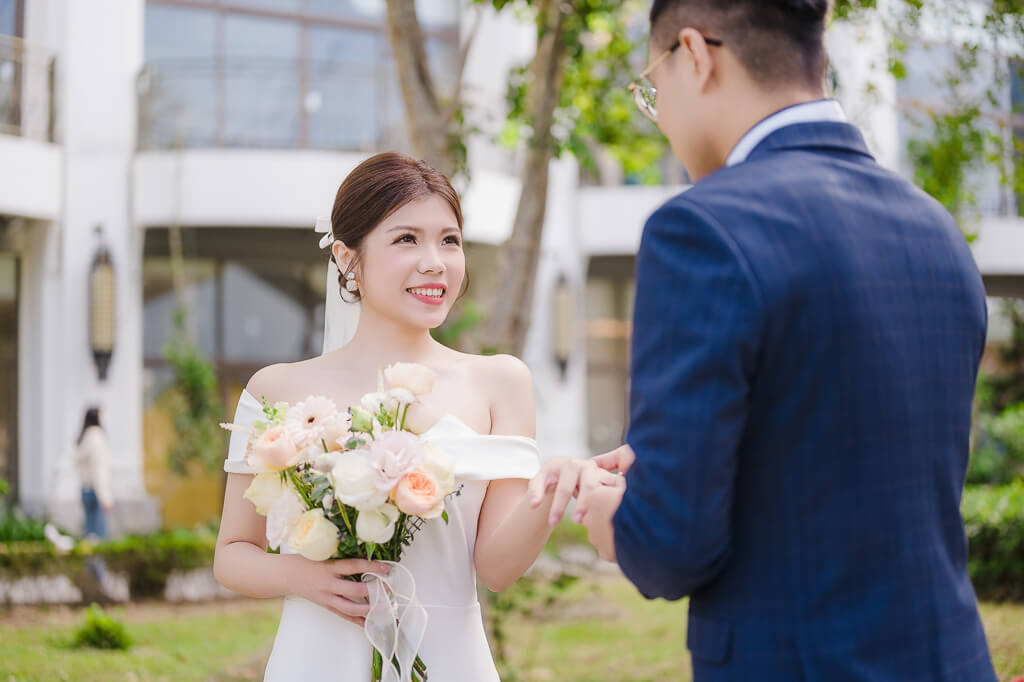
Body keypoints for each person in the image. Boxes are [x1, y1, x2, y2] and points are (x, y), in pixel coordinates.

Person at [533, 0, 998, 679]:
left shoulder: (703, 228)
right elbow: (852, 466)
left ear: (694, 55)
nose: (657, 114)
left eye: (650, 89)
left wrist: (615, 515)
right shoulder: (935, 227)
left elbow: (670, 547)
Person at [213, 152, 570, 681]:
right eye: (407, 239)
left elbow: (496, 569)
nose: (435, 262)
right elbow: (231, 555)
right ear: (347, 258)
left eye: (449, 240)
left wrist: (555, 494)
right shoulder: (277, 390)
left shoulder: (500, 382)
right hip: (319, 655)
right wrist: (302, 576)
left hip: (449, 659)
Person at [75, 407, 114, 540]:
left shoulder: (85, 436)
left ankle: (90, 561)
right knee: (99, 538)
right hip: (96, 492)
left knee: (89, 536)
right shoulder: (97, 438)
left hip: (86, 490)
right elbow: (99, 470)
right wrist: (105, 497)